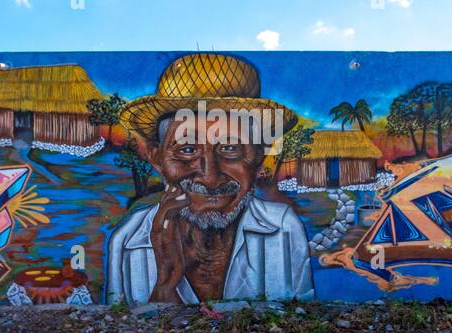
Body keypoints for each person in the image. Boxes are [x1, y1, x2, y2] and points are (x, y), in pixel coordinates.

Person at [106, 53, 314, 304]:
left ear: (258, 156)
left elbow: (299, 317)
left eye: (230, 148)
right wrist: (165, 285)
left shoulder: (283, 228)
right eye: (186, 149)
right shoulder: (128, 239)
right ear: (157, 159)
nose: (209, 177)